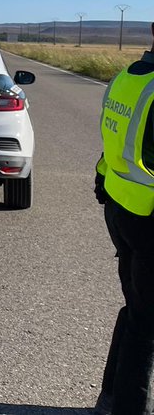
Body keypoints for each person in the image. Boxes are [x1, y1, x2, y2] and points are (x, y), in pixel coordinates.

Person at [95, 22, 154, 415]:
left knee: (138, 309)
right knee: (146, 323)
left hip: (120, 207)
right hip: (149, 217)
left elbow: (109, 142)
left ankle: (112, 396)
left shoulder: (127, 78)